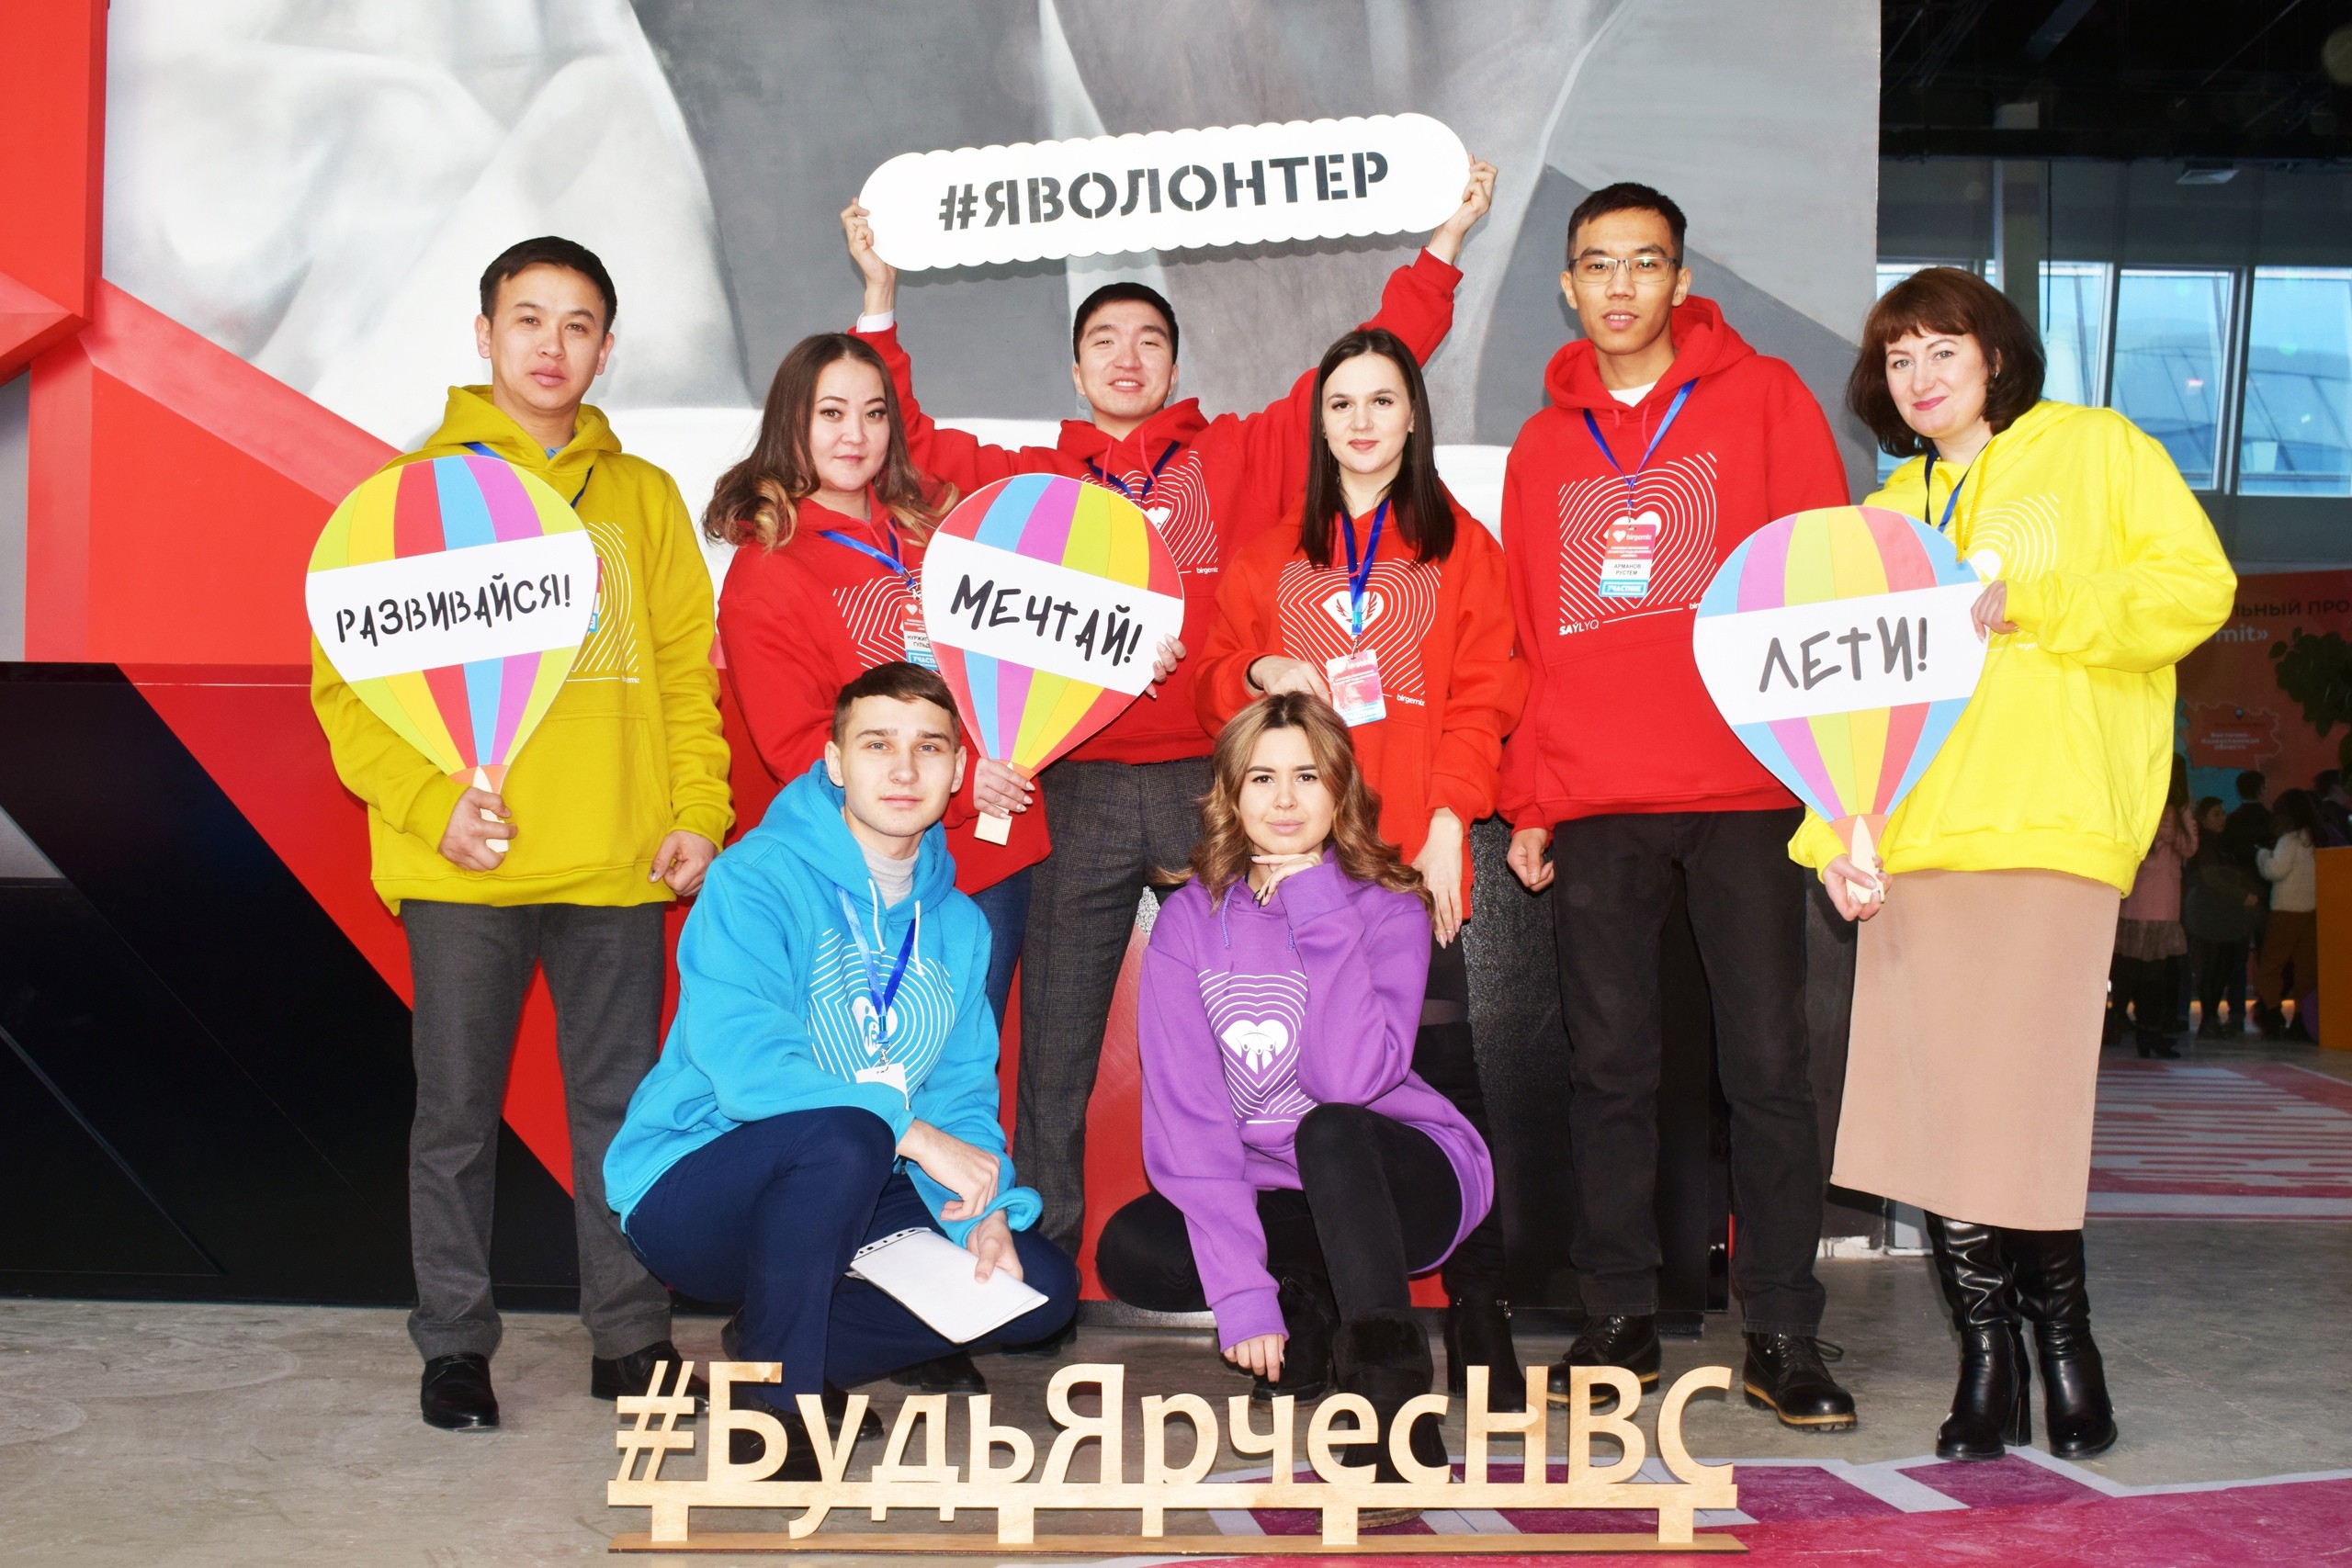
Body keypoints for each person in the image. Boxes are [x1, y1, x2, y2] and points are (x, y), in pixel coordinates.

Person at [838, 163, 1498, 1290]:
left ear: (1174, 367)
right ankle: (1035, 1260)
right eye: (1104, 340)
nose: (1127, 357)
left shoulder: (1233, 454)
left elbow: (1370, 364)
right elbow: (921, 447)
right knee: (1054, 1037)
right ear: (1077, 368)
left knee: (1285, 1016)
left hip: (1215, 782)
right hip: (1081, 786)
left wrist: (1443, 246)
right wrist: (879, 297)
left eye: (1149, 340)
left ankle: (1303, 1236)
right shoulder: (1038, 476)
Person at [311, 237, 735, 1431]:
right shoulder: (410, 493)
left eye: (578, 323)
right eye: (529, 318)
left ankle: (631, 1337)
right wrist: (430, 803)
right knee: (455, 1117)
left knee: (623, 1115)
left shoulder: (643, 495)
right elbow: (348, 691)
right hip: (463, 870)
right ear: (485, 334)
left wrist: (698, 813)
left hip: (616, 863)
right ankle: (454, 1344)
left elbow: (685, 678)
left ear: (608, 346)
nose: (553, 345)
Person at [1812, 265, 2233, 1462]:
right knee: (1941, 1112)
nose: (1919, 375)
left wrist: (2033, 601)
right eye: (1898, 358)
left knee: (2024, 1104)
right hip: (1912, 852)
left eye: (1941, 349)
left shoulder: (2096, 449)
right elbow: (1838, 708)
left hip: (2050, 832)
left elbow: (2194, 588)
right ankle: (1987, 1359)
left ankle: (2066, 1346)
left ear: (1995, 355)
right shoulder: (1884, 516)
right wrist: (1832, 840)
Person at [1495, 181, 1854, 1430]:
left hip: (1744, 786)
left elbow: (1822, 586)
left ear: (1680, 280)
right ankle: (1620, 1316)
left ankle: (1784, 1329)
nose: (1620, 286)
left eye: (1644, 263)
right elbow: (1532, 634)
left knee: (1767, 1067)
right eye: (1598, 264)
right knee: (1610, 1072)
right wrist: (1531, 797)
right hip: (1597, 795)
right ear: (1569, 285)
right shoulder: (1543, 446)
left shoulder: (1765, 399)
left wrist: (1836, 781)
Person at [605, 663, 1078, 1478]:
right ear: (833, 761)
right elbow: (749, 1067)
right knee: (850, 1131)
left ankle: (779, 1340)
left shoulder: (959, 924)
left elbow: (962, 1092)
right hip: (697, 1183)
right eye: (877, 744)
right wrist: (911, 1133)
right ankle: (775, 1409)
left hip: (854, 1181)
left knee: (1037, 1287)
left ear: (959, 771)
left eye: (929, 747)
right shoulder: (755, 878)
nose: (904, 769)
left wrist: (983, 1213)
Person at [1193, 326, 1527, 1401]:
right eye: (1341, 403)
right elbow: (1209, 683)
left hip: (1406, 864)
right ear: (1319, 422)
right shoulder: (1267, 557)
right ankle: (1319, 1309)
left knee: (1443, 1080)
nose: (1362, 421)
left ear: (1413, 415)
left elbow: (1486, 694)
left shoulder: (1461, 547)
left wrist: (1449, 819)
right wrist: (1256, 666)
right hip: (1294, 870)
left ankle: (1481, 1311)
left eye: (1382, 400)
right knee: (1300, 1091)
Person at [708, 331, 1046, 1393]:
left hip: (985, 856)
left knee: (950, 1070)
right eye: (829, 413)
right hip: (865, 874)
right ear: (791, 426)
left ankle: (922, 1298)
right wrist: (956, 777)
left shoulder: (937, 532)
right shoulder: (768, 567)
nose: (854, 435)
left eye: (872, 412)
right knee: (860, 1076)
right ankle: (821, 1303)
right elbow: (790, 741)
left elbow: (1032, 647)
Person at [1096, 693, 1490, 1495]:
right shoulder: (1189, 921)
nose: (1284, 799)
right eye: (1262, 777)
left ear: (1340, 789)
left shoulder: (1390, 904)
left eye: (1307, 776)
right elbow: (1190, 1117)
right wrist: (1244, 1294)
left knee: (1329, 1129)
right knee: (1135, 1249)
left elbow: (1347, 1082)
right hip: (1282, 1188)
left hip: (1403, 1177)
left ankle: (1392, 1400)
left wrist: (1315, 902)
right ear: (1230, 795)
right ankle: (1302, 1307)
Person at [2112, 756, 2196, 1059]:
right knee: (2154, 972)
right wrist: (2182, 816)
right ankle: (2149, 1031)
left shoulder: (2140, 802)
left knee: (2132, 968)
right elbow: (2190, 847)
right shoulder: (2173, 811)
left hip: (2139, 897)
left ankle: (2128, 1026)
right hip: (2160, 901)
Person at [2184, 795, 2262, 1037]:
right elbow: (2213, 877)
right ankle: (2209, 1017)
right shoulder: (2207, 845)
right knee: (2213, 967)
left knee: (2216, 967)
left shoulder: (2214, 844)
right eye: (2216, 814)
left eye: (2223, 813)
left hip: (2214, 915)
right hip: (2209, 915)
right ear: (2203, 818)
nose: (2222, 819)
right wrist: (2242, 895)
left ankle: (2210, 1017)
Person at [2256, 789, 2322, 1042]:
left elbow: (2275, 870)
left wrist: (2262, 855)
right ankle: (2303, 1020)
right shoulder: (2316, 837)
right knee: (2306, 968)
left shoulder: (2289, 839)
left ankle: (2272, 1013)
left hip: (2286, 909)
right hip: (2311, 909)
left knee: (2271, 965)